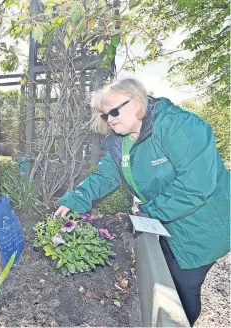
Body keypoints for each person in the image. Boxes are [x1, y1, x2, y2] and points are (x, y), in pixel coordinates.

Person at [54, 78, 230, 326]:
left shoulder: (178, 125)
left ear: (137, 101)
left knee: (183, 288)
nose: (110, 119)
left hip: (205, 225)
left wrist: (149, 211)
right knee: (170, 271)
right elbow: (104, 176)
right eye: (105, 115)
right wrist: (76, 199)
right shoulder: (122, 140)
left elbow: (196, 185)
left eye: (114, 111)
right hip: (169, 224)